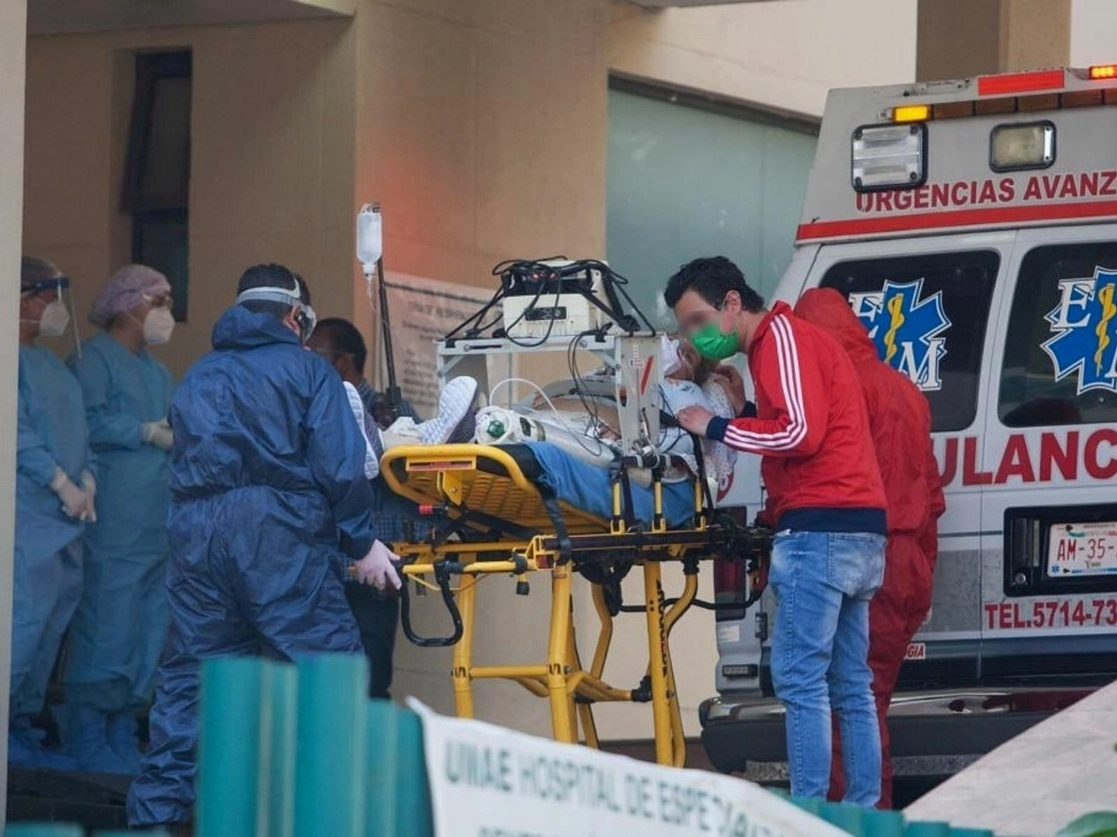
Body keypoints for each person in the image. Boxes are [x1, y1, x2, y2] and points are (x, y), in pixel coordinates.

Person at [126, 264, 400, 829]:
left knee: (189, 686)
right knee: (328, 679)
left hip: (199, 538)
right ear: (296, 316)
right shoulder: (309, 371)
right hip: (280, 537)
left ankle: (155, 822)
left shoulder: (199, 374)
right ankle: (332, 821)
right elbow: (339, 467)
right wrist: (363, 542)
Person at [666, 256, 888, 806]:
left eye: (697, 320)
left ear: (732, 303)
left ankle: (808, 813)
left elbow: (800, 434)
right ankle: (862, 813)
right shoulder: (790, 343)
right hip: (858, 526)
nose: (694, 336)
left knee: (800, 679)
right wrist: (746, 405)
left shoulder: (780, 338)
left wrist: (716, 424)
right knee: (851, 686)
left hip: (820, 529)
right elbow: (802, 423)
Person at [793, 288, 945, 808]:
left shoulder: (833, 386)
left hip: (854, 551)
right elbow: (931, 496)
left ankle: (858, 821)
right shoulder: (904, 389)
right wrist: (921, 570)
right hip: (904, 560)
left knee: (846, 705)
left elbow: (814, 476)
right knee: (866, 698)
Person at [64, 264, 176, 774]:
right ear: (128, 304)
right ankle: (87, 731)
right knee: (107, 623)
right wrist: (142, 431)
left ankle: (123, 731)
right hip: (113, 522)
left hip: (154, 525)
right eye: (159, 301)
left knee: (148, 628)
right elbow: (80, 424)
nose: (166, 312)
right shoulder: (92, 361)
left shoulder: (158, 373)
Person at [307, 317, 438, 699]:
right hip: (325, 568)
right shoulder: (314, 408)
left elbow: (417, 489)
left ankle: (367, 752)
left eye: (316, 354)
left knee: (370, 677)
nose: (308, 362)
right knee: (322, 681)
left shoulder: (395, 411)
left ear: (344, 361)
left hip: (373, 569)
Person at [11, 257, 95, 770]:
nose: (58, 308)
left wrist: (86, 480)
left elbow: (81, 433)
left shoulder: (56, 370)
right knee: (22, 624)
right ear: (23, 297)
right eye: (49, 296)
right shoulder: (9, 361)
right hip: (29, 518)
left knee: (50, 627)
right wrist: (56, 480)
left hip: (65, 523)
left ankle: (22, 725)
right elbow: (14, 431)